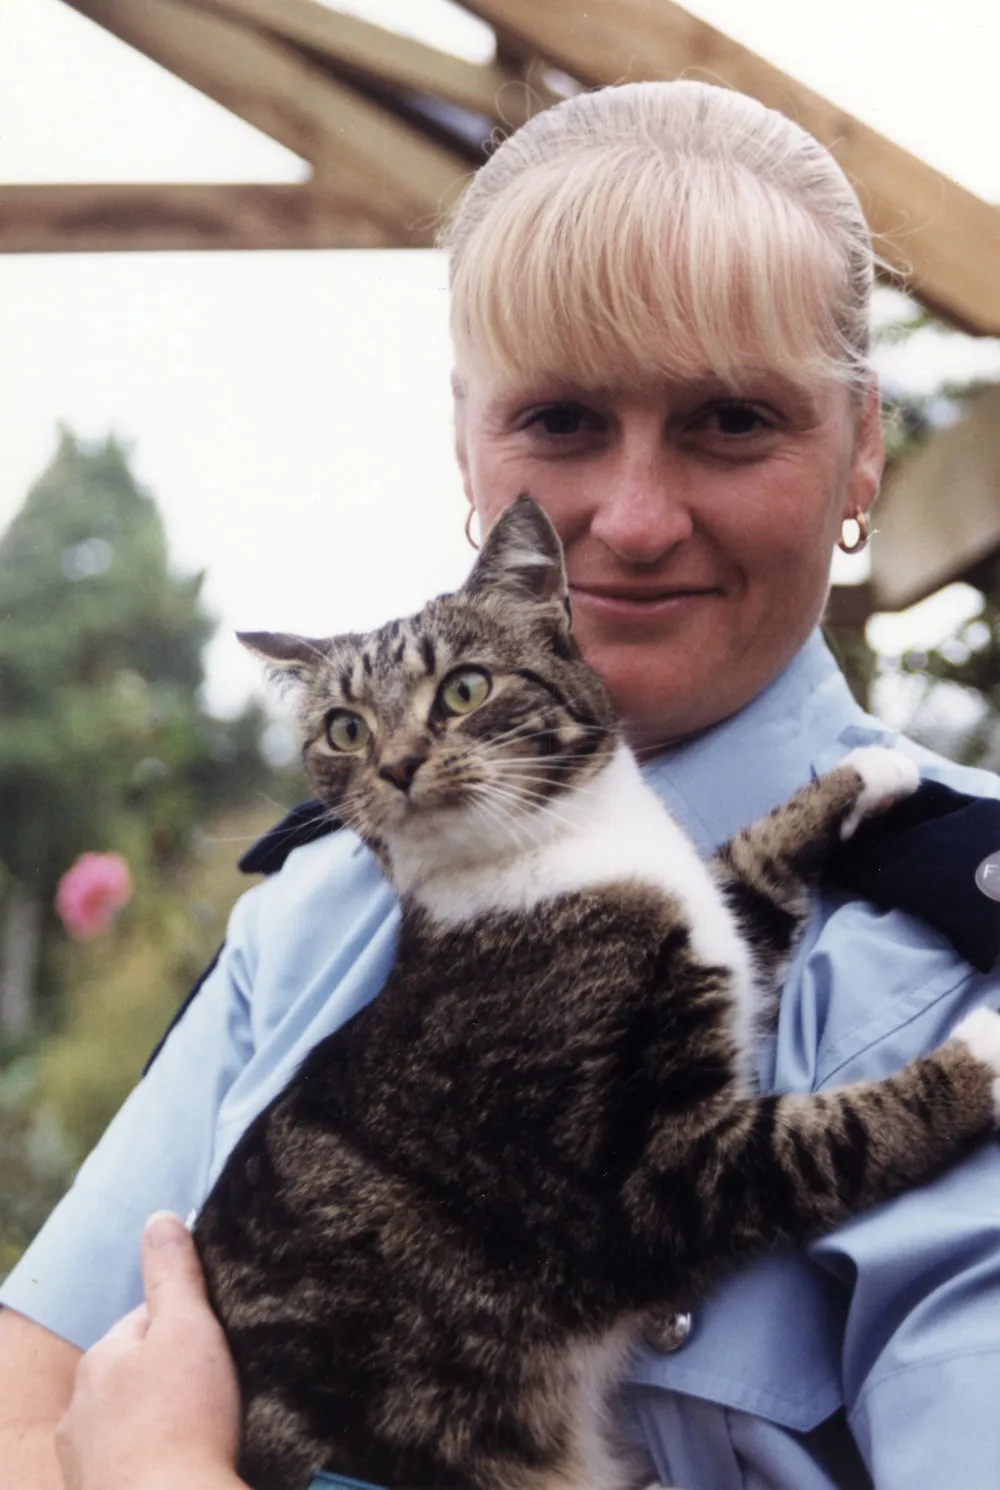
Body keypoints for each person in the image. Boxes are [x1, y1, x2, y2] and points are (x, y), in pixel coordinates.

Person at [3, 79, 999, 1490]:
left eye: (730, 420)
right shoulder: (311, 919)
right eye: (562, 419)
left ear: (862, 450)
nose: (637, 519)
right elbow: (20, 1400)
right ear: (470, 453)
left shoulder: (961, 954)